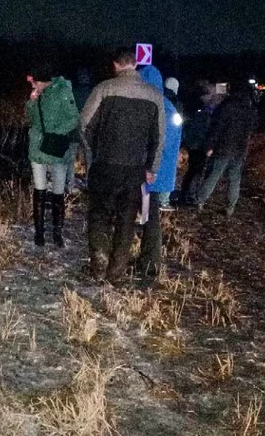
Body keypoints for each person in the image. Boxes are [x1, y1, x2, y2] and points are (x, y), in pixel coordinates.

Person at [80, 47, 165, 285]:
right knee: (126, 221)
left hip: (105, 165)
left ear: (116, 65)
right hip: (135, 170)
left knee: (99, 214)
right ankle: (116, 273)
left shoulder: (104, 89)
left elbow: (84, 125)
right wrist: (152, 168)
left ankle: (99, 262)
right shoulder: (154, 95)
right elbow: (159, 138)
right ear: (135, 65)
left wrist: (92, 153)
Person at [137, 65, 183, 279]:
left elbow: (151, 144)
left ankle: (150, 263)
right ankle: (149, 260)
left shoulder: (153, 108)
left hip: (149, 174)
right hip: (160, 175)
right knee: (149, 217)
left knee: (149, 219)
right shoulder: (169, 107)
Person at [26, 65, 79, 247]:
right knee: (39, 190)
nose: (33, 85)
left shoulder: (63, 91)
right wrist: (32, 101)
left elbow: (73, 118)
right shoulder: (37, 94)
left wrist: (55, 133)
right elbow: (30, 118)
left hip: (57, 147)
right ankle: (39, 232)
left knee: (58, 190)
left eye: (35, 82)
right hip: (37, 146)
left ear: (42, 81)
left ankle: (57, 233)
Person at [194, 82, 258, 216]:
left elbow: (216, 129)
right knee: (234, 179)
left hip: (223, 148)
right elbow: (252, 128)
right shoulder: (249, 109)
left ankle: (200, 200)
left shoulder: (226, 107)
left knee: (213, 175)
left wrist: (210, 146)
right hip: (240, 150)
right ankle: (230, 208)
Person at [179, 82, 221, 204]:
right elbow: (204, 131)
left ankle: (186, 193)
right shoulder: (206, 114)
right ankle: (189, 195)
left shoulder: (198, 110)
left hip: (194, 145)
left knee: (193, 170)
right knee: (196, 171)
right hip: (199, 146)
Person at [65, 67, 94, 193]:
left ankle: (70, 183)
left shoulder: (72, 91)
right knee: (89, 155)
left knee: (71, 155)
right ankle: (89, 181)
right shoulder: (93, 92)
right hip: (87, 128)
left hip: (73, 127)